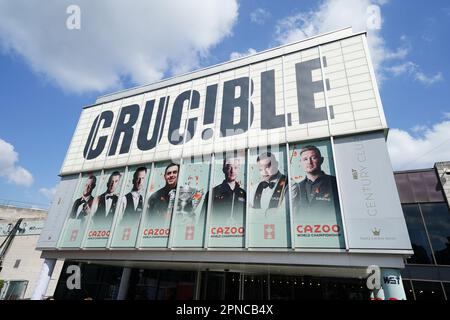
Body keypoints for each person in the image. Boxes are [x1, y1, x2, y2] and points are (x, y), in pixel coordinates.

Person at [295, 145, 339, 217]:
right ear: (301, 162)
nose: (309, 162)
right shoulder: (297, 187)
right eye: (305, 159)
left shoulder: (335, 182)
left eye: (313, 158)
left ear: (321, 160)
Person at [203, 157, 246, 223]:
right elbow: (202, 220)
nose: (232, 171)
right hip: (217, 231)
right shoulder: (213, 193)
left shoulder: (243, 194)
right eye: (229, 167)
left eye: (235, 168)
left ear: (238, 170)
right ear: (224, 169)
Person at [251, 152, 289, 216]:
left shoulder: (290, 185)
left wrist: (257, 213)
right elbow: (248, 211)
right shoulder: (255, 187)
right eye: (260, 169)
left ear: (276, 164)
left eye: (267, 167)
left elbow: (284, 213)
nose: (264, 172)